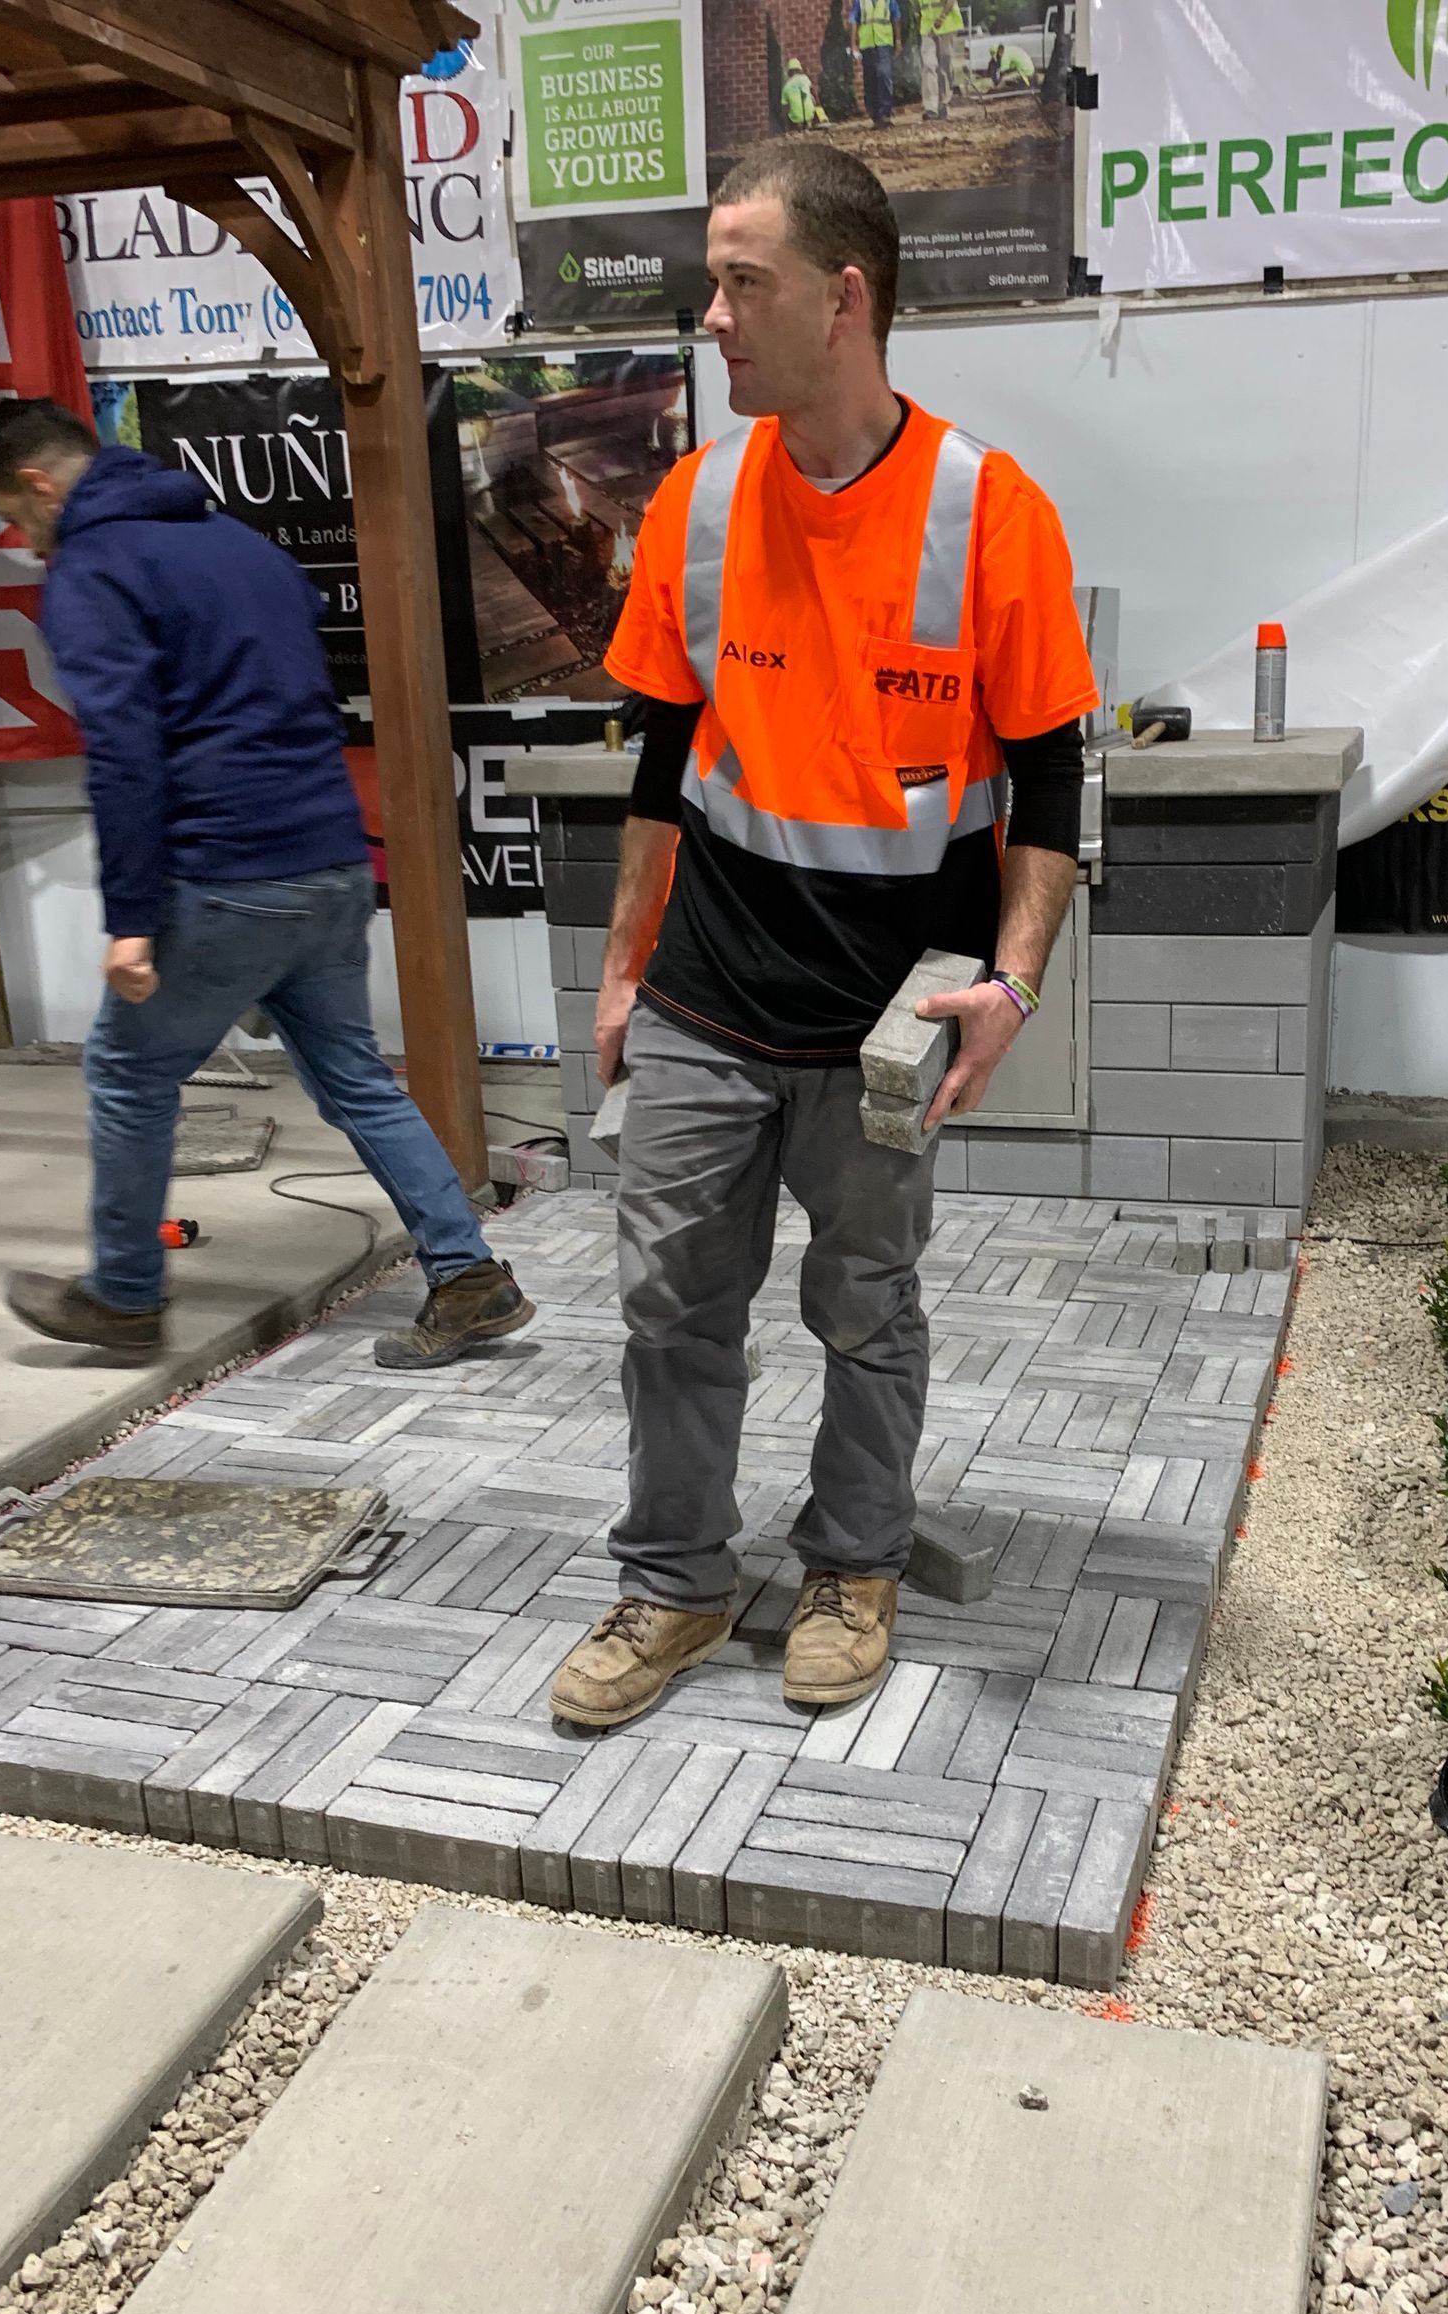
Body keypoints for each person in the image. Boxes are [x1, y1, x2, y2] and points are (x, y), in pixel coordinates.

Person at [548, 140, 1096, 1730]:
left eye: (743, 283)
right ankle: (675, 1580)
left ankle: (856, 1565)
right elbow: (662, 765)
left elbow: (1056, 778)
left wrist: (1013, 980)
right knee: (669, 1304)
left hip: (887, 1017)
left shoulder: (989, 513)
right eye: (711, 282)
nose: (710, 316)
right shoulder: (698, 505)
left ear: (844, 299)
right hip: (707, 996)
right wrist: (623, 969)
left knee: (866, 1305)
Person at [0, 398, 534, 1370]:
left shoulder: (94, 571)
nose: (24, 542)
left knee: (128, 1072)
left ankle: (125, 1297)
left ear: (38, 484)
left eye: (17, 520)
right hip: (330, 862)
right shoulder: (242, 545)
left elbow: (126, 755)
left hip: (225, 873)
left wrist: (131, 920)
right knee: (356, 1079)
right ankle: (468, 1274)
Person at [850, 0, 899, 127]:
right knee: (870, 79)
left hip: (884, 42)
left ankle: (885, 113)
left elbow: (896, 17)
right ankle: (875, 114)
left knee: (884, 75)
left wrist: (898, 40)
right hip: (867, 44)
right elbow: (854, 20)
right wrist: (853, 44)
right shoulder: (860, 1)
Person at [918, 0, 962, 118]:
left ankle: (943, 103)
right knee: (928, 65)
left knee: (944, 67)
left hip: (947, 24)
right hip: (927, 27)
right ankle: (931, 107)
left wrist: (942, 17)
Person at [781, 54, 826, 128]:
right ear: (800, 69)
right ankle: (815, 121)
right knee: (811, 96)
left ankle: (797, 125)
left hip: (795, 119)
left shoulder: (786, 87)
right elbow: (815, 95)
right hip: (810, 115)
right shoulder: (805, 79)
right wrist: (821, 115)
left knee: (788, 105)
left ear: (789, 72)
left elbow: (784, 108)